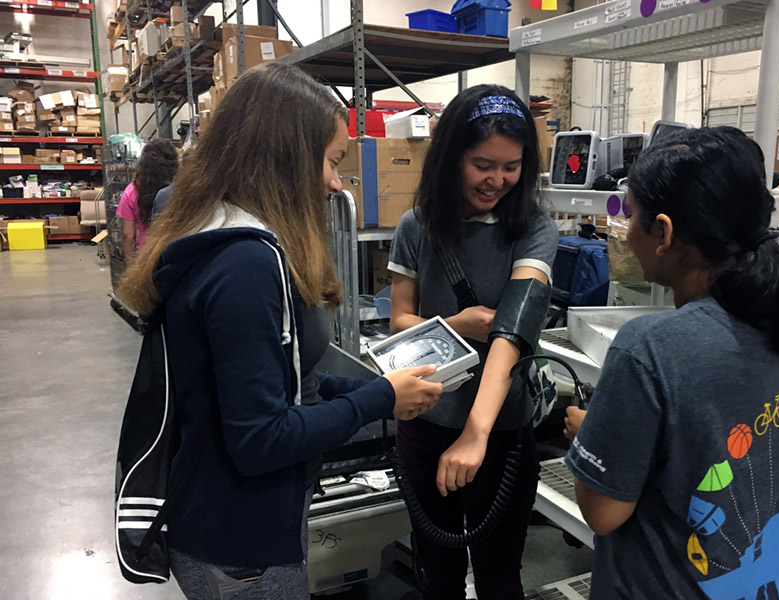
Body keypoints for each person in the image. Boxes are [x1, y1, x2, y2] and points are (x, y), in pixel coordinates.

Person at [116, 62, 443, 599]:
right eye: (333, 161)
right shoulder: (245, 265)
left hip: (241, 519)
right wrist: (378, 400)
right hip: (239, 541)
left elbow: (287, 380)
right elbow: (260, 440)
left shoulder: (221, 230)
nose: (337, 182)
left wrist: (371, 391)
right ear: (287, 158)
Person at [565, 126, 779, 600]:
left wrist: (591, 433)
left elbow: (604, 512)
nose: (626, 231)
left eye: (632, 217)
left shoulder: (649, 347)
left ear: (663, 232)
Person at [388, 84, 558, 599]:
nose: (497, 180)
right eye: (483, 164)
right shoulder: (417, 227)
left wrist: (478, 433)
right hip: (426, 421)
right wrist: (455, 325)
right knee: (436, 569)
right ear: (451, 157)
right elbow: (399, 321)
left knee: (499, 571)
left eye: (511, 166)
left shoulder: (533, 230)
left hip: (502, 432)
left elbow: (515, 331)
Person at [115, 138, 178, 262]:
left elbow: (127, 235)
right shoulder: (180, 188)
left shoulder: (131, 191)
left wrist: (131, 266)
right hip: (177, 253)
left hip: (147, 258)